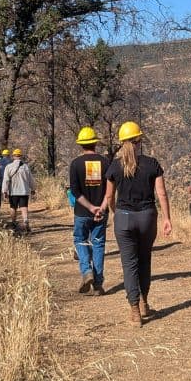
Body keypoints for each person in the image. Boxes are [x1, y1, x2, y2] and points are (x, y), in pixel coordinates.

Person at [103, 121, 173, 327]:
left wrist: (116, 211)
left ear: (121, 142)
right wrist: (167, 218)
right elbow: (161, 193)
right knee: (144, 260)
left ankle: (134, 310)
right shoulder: (152, 164)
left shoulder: (114, 166)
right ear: (139, 140)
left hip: (124, 217)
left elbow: (109, 196)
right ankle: (144, 301)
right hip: (147, 216)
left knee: (129, 264)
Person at [69, 126, 110, 295]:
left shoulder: (75, 164)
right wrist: (101, 208)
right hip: (102, 212)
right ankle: (98, 283)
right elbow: (111, 189)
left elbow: (75, 191)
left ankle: (87, 272)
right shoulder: (106, 162)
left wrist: (90, 207)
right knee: (99, 244)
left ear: (81, 145)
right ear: (95, 143)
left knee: (80, 240)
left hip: (82, 212)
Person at [2, 147, 35, 233]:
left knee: (13, 207)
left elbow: (6, 180)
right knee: (24, 207)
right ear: (21, 156)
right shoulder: (25, 167)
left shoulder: (8, 167)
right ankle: (25, 220)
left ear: (13, 156)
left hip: (13, 192)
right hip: (24, 191)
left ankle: (13, 223)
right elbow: (31, 179)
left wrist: (4, 191)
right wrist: (33, 188)